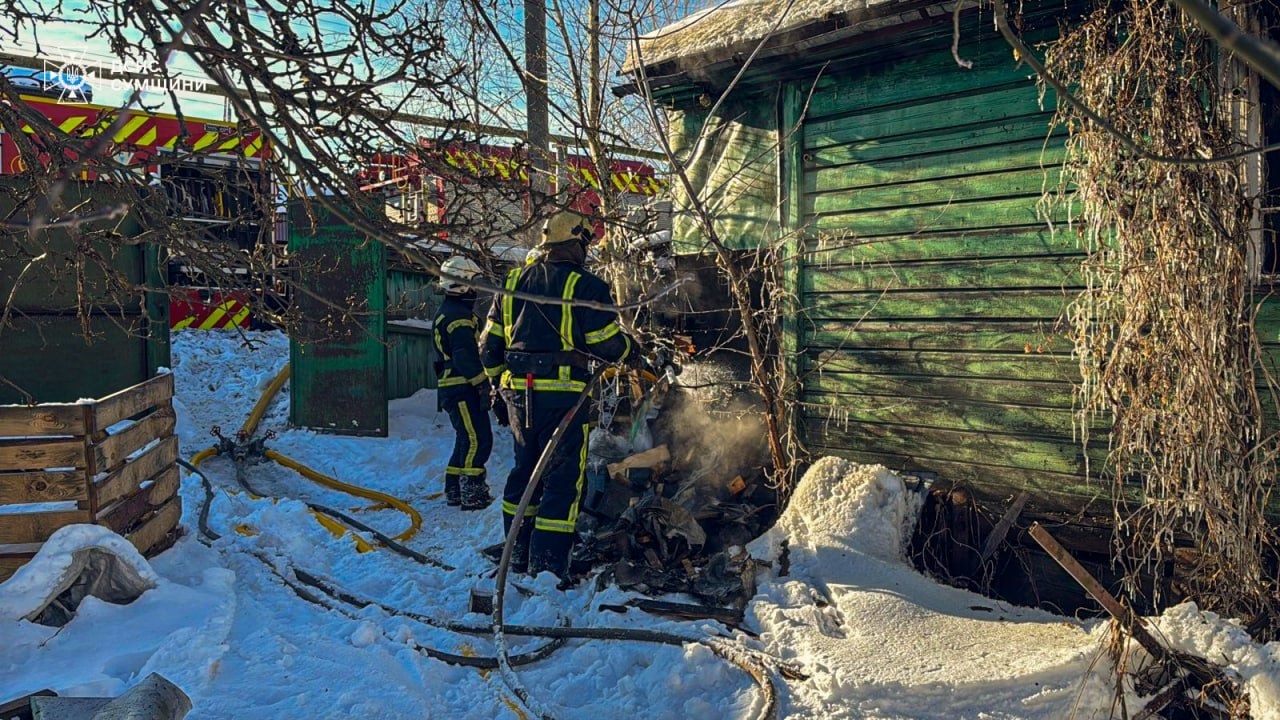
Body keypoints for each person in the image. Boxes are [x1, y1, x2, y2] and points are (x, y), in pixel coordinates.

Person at [481, 211, 637, 578]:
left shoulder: (513, 282)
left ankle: (517, 554)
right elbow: (606, 345)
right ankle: (549, 566)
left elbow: (488, 346)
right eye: (584, 244)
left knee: (524, 473)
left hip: (519, 397)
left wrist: (497, 388)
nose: (585, 252)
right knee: (562, 481)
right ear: (575, 242)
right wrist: (632, 350)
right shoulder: (587, 287)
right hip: (564, 398)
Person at [433, 255, 495, 510]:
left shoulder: (451, 311)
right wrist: (483, 383)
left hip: (454, 386)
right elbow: (465, 356)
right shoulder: (458, 317)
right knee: (477, 439)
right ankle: (472, 490)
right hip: (461, 386)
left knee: (464, 438)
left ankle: (454, 489)